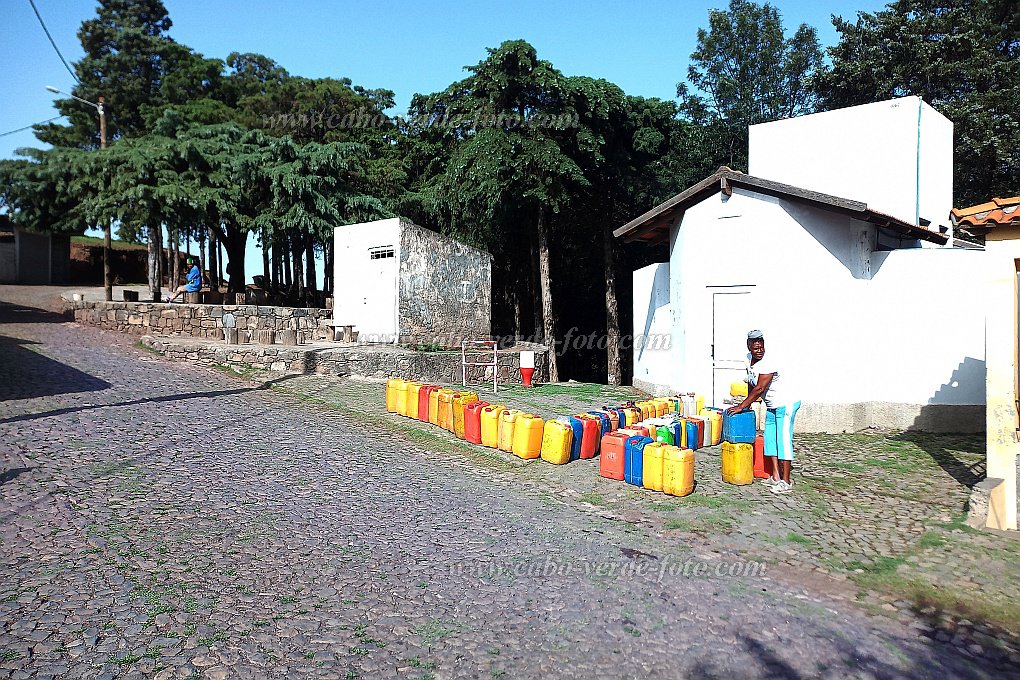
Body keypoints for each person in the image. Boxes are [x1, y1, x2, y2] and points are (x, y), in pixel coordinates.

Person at [726, 329, 801, 494]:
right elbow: (751, 383)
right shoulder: (748, 359)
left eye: (761, 347)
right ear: (749, 346)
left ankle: (786, 481)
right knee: (770, 440)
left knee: (783, 440)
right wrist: (747, 404)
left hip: (785, 404)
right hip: (772, 405)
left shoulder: (769, 362)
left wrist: (741, 406)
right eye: (755, 347)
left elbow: (759, 388)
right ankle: (775, 475)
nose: (759, 350)